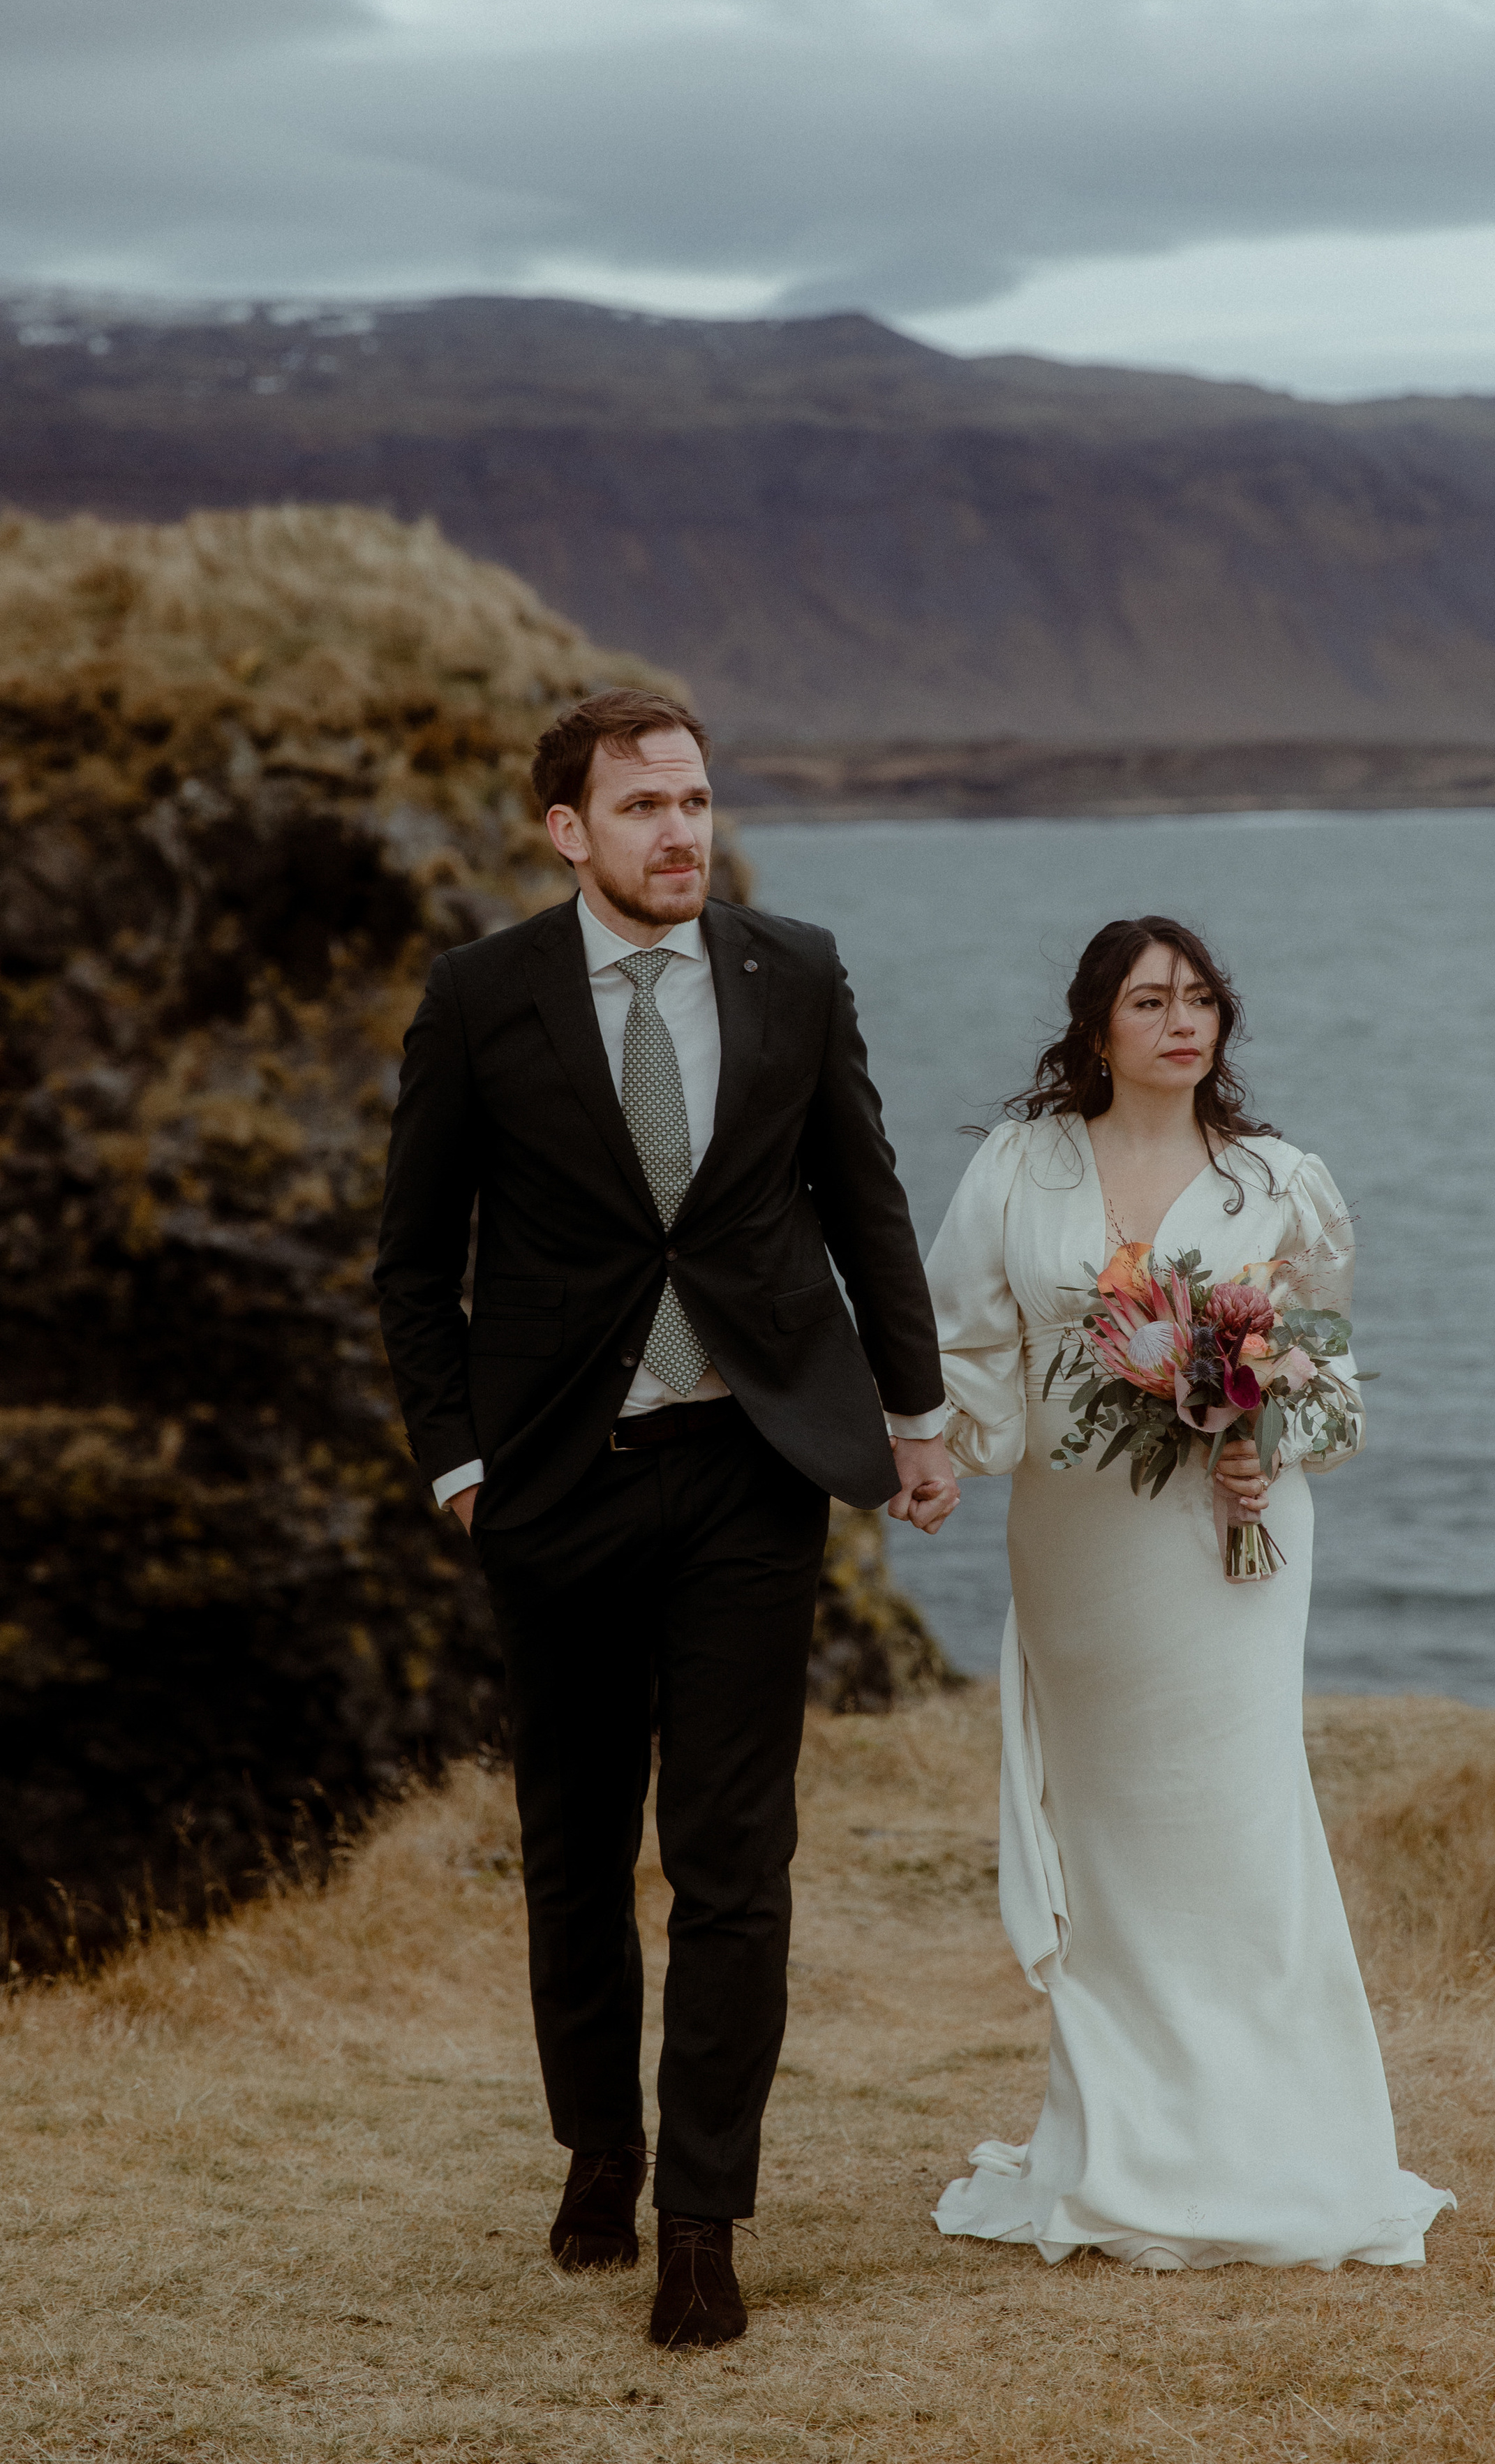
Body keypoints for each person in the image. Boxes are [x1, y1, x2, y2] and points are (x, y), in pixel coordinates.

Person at [375, 687, 958, 2347]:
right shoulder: (479, 996)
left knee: (733, 1856)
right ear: (569, 830)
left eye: (693, 800)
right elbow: (414, 1261)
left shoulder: (796, 972)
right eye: (642, 807)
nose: (679, 831)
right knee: (574, 1848)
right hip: (554, 1478)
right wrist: (458, 1467)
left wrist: (912, 1418)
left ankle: (703, 2217)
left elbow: (863, 1201)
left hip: (750, 1468)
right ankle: (600, 2150)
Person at [926, 915, 1453, 2272]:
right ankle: (1123, 2147)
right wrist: (940, 1454)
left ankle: (1276, 2147)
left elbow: (1328, 1373)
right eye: (1150, 1000)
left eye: (1201, 999)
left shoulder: (1280, 1182)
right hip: (1077, 1546)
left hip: (1235, 1544)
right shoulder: (1020, 1165)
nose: (1181, 1022)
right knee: (1108, 1839)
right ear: (1096, 1024)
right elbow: (966, 1343)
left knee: (1239, 1824)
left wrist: (1267, 1438)